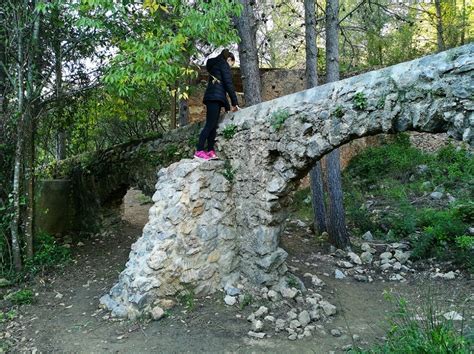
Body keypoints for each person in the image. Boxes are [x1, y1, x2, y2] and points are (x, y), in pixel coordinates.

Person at [194, 49, 240, 161]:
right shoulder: (223, 65)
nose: (230, 67)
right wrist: (235, 103)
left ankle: (210, 151)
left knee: (213, 126)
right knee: (210, 124)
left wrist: (228, 107)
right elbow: (228, 85)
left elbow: (221, 89)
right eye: (231, 64)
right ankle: (199, 151)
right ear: (229, 59)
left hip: (214, 98)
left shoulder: (215, 67)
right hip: (214, 98)